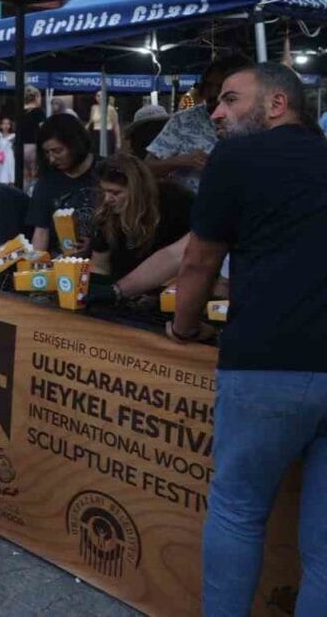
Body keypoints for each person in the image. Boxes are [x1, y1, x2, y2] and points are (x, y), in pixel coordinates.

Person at [170, 63, 327, 615]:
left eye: (231, 100)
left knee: (237, 510)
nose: (216, 112)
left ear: (278, 103)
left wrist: (184, 327)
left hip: (267, 360)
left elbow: (198, 261)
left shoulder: (237, 157)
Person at [146, 53, 253, 192]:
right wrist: (181, 161)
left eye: (220, 86)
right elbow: (146, 168)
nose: (213, 93)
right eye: (208, 85)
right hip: (188, 202)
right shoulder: (184, 120)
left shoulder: (256, 121)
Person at [89, 154, 194, 283]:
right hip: (121, 287)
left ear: (137, 190)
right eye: (104, 191)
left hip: (173, 285)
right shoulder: (104, 214)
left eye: (115, 193)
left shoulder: (177, 202)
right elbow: (99, 266)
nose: (107, 199)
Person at [27, 113, 100, 256]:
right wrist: (35, 265)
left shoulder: (105, 172)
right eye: (47, 153)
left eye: (57, 151)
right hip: (60, 262)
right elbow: (41, 231)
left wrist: (97, 244)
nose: (52, 159)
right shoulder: (47, 181)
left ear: (76, 144)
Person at [19, 85, 45, 189]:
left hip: (20, 145)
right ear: (36, 97)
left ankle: (23, 193)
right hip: (33, 145)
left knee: (24, 174)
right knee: (34, 173)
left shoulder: (20, 111)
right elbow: (44, 129)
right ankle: (33, 194)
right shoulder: (38, 112)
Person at [86, 91, 120, 155]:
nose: (99, 97)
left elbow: (116, 124)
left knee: (106, 154)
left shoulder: (111, 109)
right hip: (95, 134)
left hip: (107, 133)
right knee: (95, 154)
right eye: (98, 96)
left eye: (101, 95)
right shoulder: (93, 108)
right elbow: (90, 121)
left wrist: (118, 141)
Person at [0, 116, 16, 185]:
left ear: (10, 125)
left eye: (8, 124)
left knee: (8, 169)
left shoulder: (13, 135)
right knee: (1, 170)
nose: (6, 125)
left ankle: (8, 184)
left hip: (9, 156)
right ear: (1, 125)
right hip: (0, 155)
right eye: (4, 124)